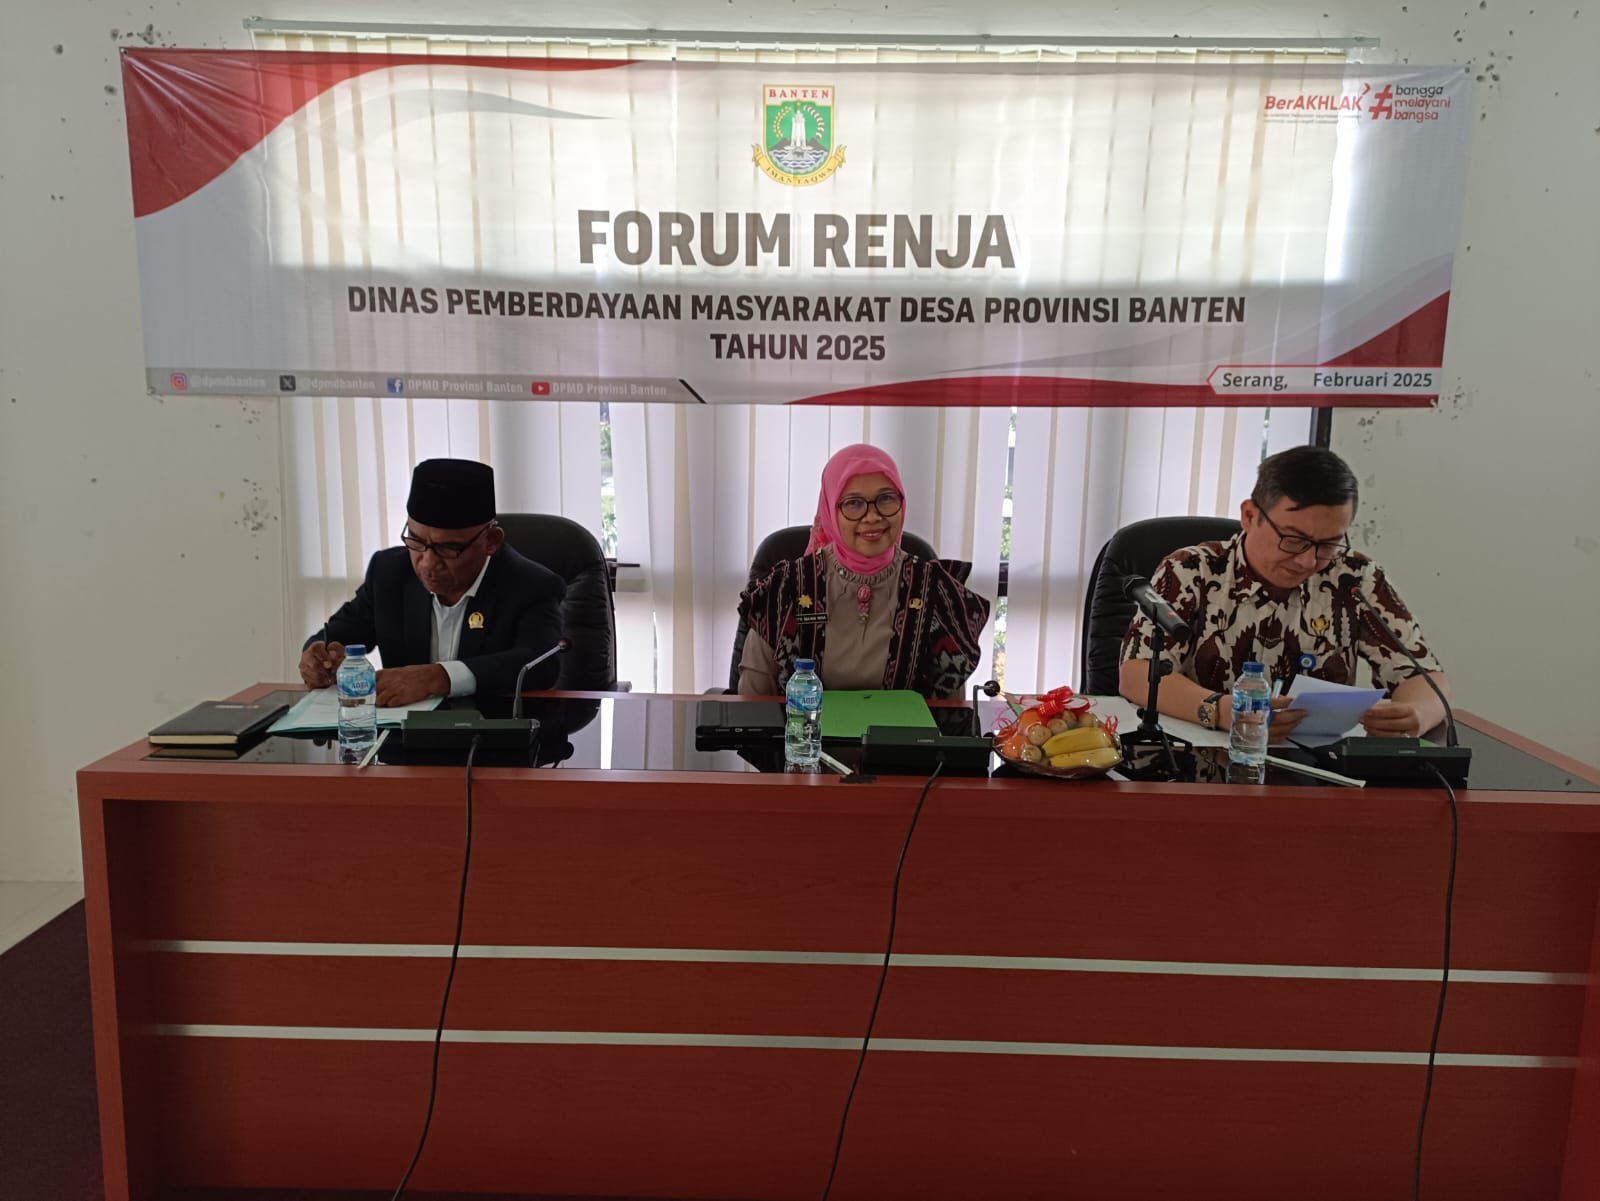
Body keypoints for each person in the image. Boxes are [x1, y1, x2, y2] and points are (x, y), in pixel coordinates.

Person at [1118, 445, 1449, 741]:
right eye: (1293, 539)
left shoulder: (1353, 577)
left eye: (1328, 544)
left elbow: (1426, 678)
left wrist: (1416, 714)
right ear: (1249, 516)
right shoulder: (1192, 570)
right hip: (1205, 760)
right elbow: (1137, 674)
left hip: (1319, 770)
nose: (1308, 560)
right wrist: (1221, 711)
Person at [299, 458, 566, 707]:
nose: (427, 563)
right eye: (416, 541)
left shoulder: (531, 585)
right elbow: (338, 635)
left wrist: (439, 677)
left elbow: (540, 663)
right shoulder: (388, 573)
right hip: (402, 737)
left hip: (491, 733)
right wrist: (318, 657)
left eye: (448, 548)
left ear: (491, 541)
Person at [737, 444, 991, 699]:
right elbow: (753, 701)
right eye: (853, 503)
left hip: (900, 727)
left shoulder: (935, 591)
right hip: (802, 727)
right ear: (830, 509)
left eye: (886, 499)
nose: (872, 517)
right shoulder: (787, 588)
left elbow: (949, 711)